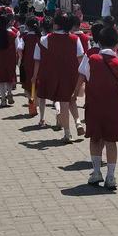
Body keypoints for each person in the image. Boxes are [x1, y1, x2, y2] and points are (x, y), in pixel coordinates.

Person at [73, 25, 118, 190]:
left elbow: (83, 73)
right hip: (113, 106)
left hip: (93, 104)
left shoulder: (91, 58)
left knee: (95, 138)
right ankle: (110, 176)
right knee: (111, 140)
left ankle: (96, 172)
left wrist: (74, 94)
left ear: (99, 43)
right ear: (117, 44)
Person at [32, 11, 84, 142]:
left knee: (64, 103)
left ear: (55, 25)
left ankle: (67, 133)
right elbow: (80, 59)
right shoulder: (75, 39)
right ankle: (78, 122)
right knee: (72, 99)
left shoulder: (46, 39)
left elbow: (39, 46)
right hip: (72, 74)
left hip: (57, 75)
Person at [0, 13, 18, 106]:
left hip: (0, 59)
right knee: (9, 77)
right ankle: (9, 93)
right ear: (8, 22)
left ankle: (3, 99)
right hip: (10, 59)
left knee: (1, 79)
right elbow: (17, 47)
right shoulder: (13, 34)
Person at [18, 16, 41, 99]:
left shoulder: (24, 37)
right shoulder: (41, 36)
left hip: (27, 63)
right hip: (40, 63)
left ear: (27, 26)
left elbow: (20, 49)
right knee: (38, 84)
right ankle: (37, 103)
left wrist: (21, 58)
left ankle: (32, 104)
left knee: (28, 84)